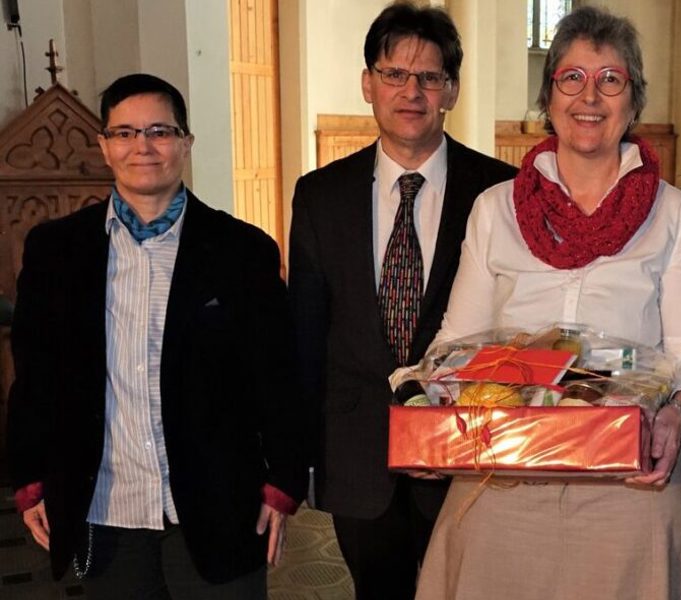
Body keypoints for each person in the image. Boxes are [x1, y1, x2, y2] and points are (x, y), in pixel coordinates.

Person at [407, 6, 681, 599]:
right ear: (549, 95)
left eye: (611, 79)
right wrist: (428, 404)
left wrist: (677, 410)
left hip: (628, 488)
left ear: (634, 102)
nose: (591, 96)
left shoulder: (675, 216)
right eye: (572, 77)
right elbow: (454, 346)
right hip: (502, 487)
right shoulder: (496, 210)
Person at [7, 73, 307, 598]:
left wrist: (284, 483)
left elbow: (279, 378)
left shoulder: (243, 251)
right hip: (107, 505)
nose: (142, 146)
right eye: (124, 133)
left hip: (219, 506)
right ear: (104, 147)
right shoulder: (56, 251)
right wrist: (29, 478)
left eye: (160, 131)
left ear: (185, 143)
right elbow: (34, 375)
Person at [286, 3, 517, 599]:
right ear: (368, 84)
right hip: (358, 455)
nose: (410, 91)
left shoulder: (498, 192)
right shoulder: (320, 195)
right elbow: (307, 336)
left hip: (468, 453)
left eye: (429, 78)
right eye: (394, 74)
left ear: (451, 91)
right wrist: (298, 461)